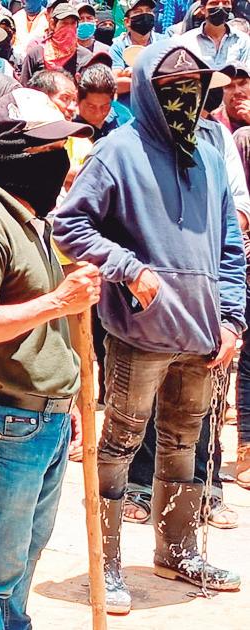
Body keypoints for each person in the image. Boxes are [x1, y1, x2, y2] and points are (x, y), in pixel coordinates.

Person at [54, 41, 245, 614]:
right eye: (172, 90)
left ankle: (177, 551)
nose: (187, 99)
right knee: (118, 443)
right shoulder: (117, 151)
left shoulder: (210, 152)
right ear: (145, 92)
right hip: (140, 333)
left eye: (195, 87)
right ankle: (106, 564)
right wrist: (129, 268)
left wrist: (232, 318)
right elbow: (70, 225)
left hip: (202, 334)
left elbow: (229, 245)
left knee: (184, 442)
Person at [0, 86, 96, 629]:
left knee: (23, 560)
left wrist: (70, 393)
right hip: (6, 422)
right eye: (48, 150)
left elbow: (44, 327)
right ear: (14, 154)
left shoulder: (32, 221)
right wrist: (60, 301)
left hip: (45, 418)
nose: (59, 162)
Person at [20, 3, 92, 86]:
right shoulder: (36, 54)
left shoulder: (85, 57)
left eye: (73, 23)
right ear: (53, 24)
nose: (69, 28)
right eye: (64, 23)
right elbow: (24, 87)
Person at [111, 0, 162, 107]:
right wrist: (153, 79)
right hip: (130, 108)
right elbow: (115, 84)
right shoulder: (118, 47)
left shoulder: (164, 42)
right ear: (127, 22)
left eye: (148, 11)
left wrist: (134, 74)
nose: (145, 15)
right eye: (138, 12)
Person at [179, 0, 250, 67]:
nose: (221, 7)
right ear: (203, 9)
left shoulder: (243, 41)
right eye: (214, 3)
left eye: (226, 3)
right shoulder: (186, 42)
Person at [75, 62, 133, 139]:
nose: (98, 114)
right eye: (91, 107)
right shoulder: (70, 127)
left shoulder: (124, 117)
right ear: (77, 98)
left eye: (105, 107)